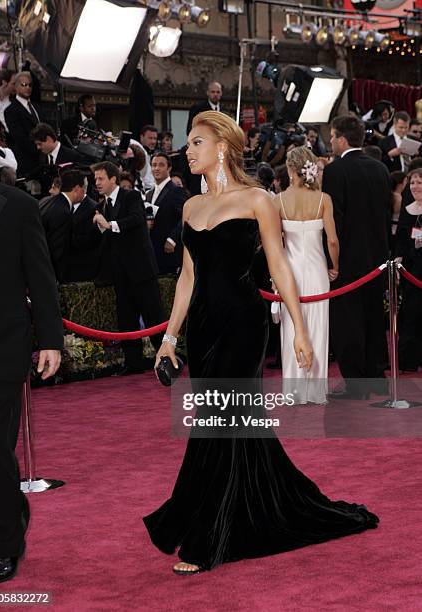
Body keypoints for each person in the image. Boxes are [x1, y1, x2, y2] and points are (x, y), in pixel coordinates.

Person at [143, 111, 379, 575]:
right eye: (187, 144)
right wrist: (170, 337)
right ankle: (259, 503)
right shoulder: (191, 207)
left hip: (244, 325)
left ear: (222, 148)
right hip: (205, 327)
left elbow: (280, 265)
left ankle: (210, 535)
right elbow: (188, 276)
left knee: (220, 419)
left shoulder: (258, 200)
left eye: (195, 143)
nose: (186, 151)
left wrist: (302, 330)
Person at [0, 124, 63, 584]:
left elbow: (41, 277)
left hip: (1, 349)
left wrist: (50, 339)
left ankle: (4, 545)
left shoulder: (19, 206)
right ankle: (4, 519)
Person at [322, 115, 391, 399]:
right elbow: (385, 216)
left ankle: (356, 384)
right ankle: (377, 378)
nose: (330, 141)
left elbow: (333, 221)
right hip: (377, 259)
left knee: (348, 322)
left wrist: (331, 262)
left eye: (332, 136)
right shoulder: (380, 168)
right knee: (375, 318)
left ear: (341, 138)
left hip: (348, 262)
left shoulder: (335, 171)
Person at [276, 146, 339, 404]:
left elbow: (275, 244)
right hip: (316, 270)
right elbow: (332, 241)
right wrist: (335, 267)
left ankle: (294, 392)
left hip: (288, 271)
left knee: (292, 327)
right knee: (317, 328)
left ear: (291, 170)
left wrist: (275, 276)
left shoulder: (277, 200)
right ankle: (315, 391)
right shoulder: (324, 199)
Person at [92, 161, 164, 374]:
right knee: (126, 319)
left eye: (101, 179)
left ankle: (166, 357)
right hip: (120, 274)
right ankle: (133, 362)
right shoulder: (102, 205)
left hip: (141, 269)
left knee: (154, 316)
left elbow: (136, 219)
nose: (97, 183)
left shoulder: (130, 196)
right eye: (95, 179)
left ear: (113, 179)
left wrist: (109, 225)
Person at [394, 168, 422, 372]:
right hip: (411, 270)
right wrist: (397, 261)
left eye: (420, 182)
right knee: (410, 313)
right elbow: (401, 242)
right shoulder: (407, 209)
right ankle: (409, 360)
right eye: (412, 182)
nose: (415, 186)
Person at [146, 152, 187, 275]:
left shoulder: (176, 191)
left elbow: (185, 217)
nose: (156, 168)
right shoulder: (149, 193)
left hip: (169, 252)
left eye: (161, 165)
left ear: (169, 168)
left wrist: (172, 239)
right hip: (153, 251)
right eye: (153, 165)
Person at [4, 71, 41, 179]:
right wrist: (38, 149)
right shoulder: (11, 110)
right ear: (15, 87)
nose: (28, 88)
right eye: (24, 85)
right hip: (25, 161)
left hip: (42, 159)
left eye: (30, 85)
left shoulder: (36, 107)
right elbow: (19, 137)